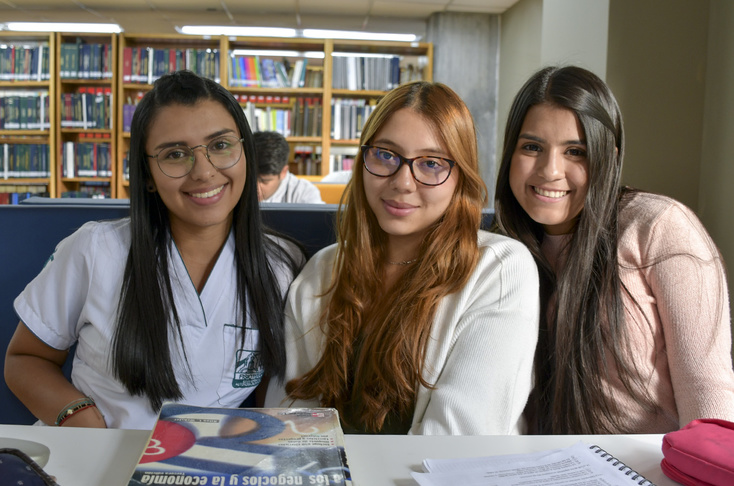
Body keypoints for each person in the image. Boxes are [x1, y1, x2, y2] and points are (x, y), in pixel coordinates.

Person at [5, 71, 304, 430]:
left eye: (221, 145)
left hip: (211, 464)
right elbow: (25, 358)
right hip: (98, 454)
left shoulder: (281, 265)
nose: (204, 171)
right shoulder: (96, 250)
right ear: (147, 174)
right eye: (175, 154)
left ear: (245, 154)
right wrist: (79, 419)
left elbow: (268, 392)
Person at [265, 80, 540, 435]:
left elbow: (459, 440)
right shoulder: (323, 269)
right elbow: (291, 414)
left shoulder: (499, 269)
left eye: (431, 163)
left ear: (461, 176)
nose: (403, 182)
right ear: (363, 160)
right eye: (385, 155)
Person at [493, 65, 734, 434]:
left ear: (609, 157)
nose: (549, 170)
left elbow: (708, 394)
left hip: (653, 468)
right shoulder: (501, 248)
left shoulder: (659, 227)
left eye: (576, 151)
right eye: (532, 147)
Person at [255, 131, 324, 204]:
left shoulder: (304, 192)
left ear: (283, 172)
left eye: (264, 181)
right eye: (250, 179)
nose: (255, 188)